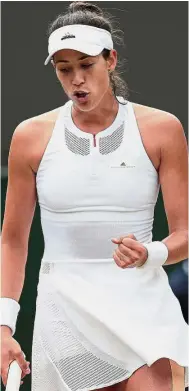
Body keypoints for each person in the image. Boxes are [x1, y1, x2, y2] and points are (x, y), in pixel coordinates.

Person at [1, 2, 188, 391]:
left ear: (111, 60)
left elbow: (185, 232)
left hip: (142, 310)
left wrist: (150, 253)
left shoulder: (162, 129)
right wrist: (4, 325)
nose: (76, 80)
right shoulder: (30, 136)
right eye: (64, 69)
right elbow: (14, 241)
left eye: (86, 65)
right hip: (65, 314)